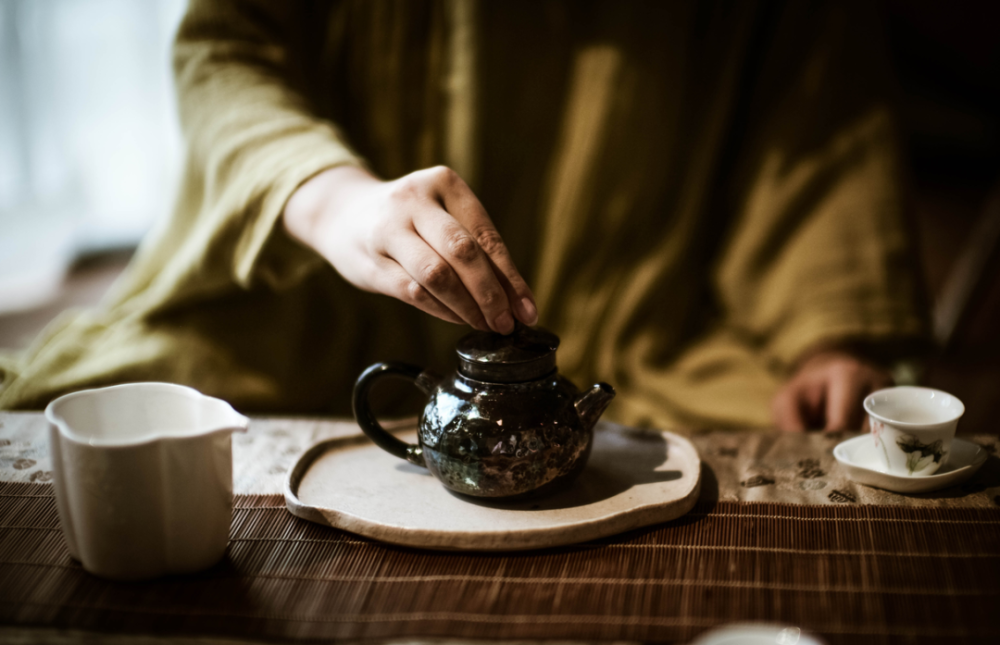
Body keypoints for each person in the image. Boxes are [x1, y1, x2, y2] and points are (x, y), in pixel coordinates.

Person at [0, 0, 928, 432]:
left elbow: (816, 107)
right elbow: (227, 48)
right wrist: (331, 197)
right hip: (296, 309)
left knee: (803, 445)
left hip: (648, 331)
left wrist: (830, 335)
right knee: (96, 420)